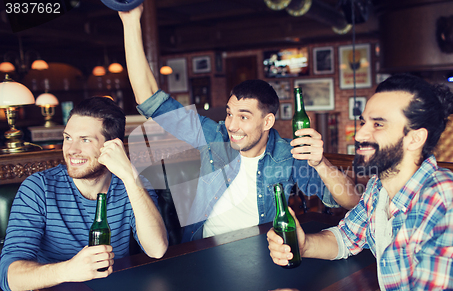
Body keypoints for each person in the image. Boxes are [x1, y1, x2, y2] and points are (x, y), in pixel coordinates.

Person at [267, 74, 453, 291]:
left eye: (378, 125)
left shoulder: (450, 206)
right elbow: (345, 238)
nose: (361, 133)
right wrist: (304, 244)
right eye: (364, 121)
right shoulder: (379, 188)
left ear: (415, 138)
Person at [119, 5, 361, 243]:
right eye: (229, 113)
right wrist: (130, 22)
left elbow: (351, 201)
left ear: (267, 121)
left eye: (243, 116)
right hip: (202, 250)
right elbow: (149, 99)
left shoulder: (287, 155)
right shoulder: (213, 135)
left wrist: (321, 163)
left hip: (260, 250)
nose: (232, 125)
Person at [0, 97, 168, 291]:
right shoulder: (38, 188)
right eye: (67, 138)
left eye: (85, 140)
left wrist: (130, 177)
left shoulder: (133, 185)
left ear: (112, 146)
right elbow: (10, 277)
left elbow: (157, 248)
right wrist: (70, 269)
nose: (71, 149)